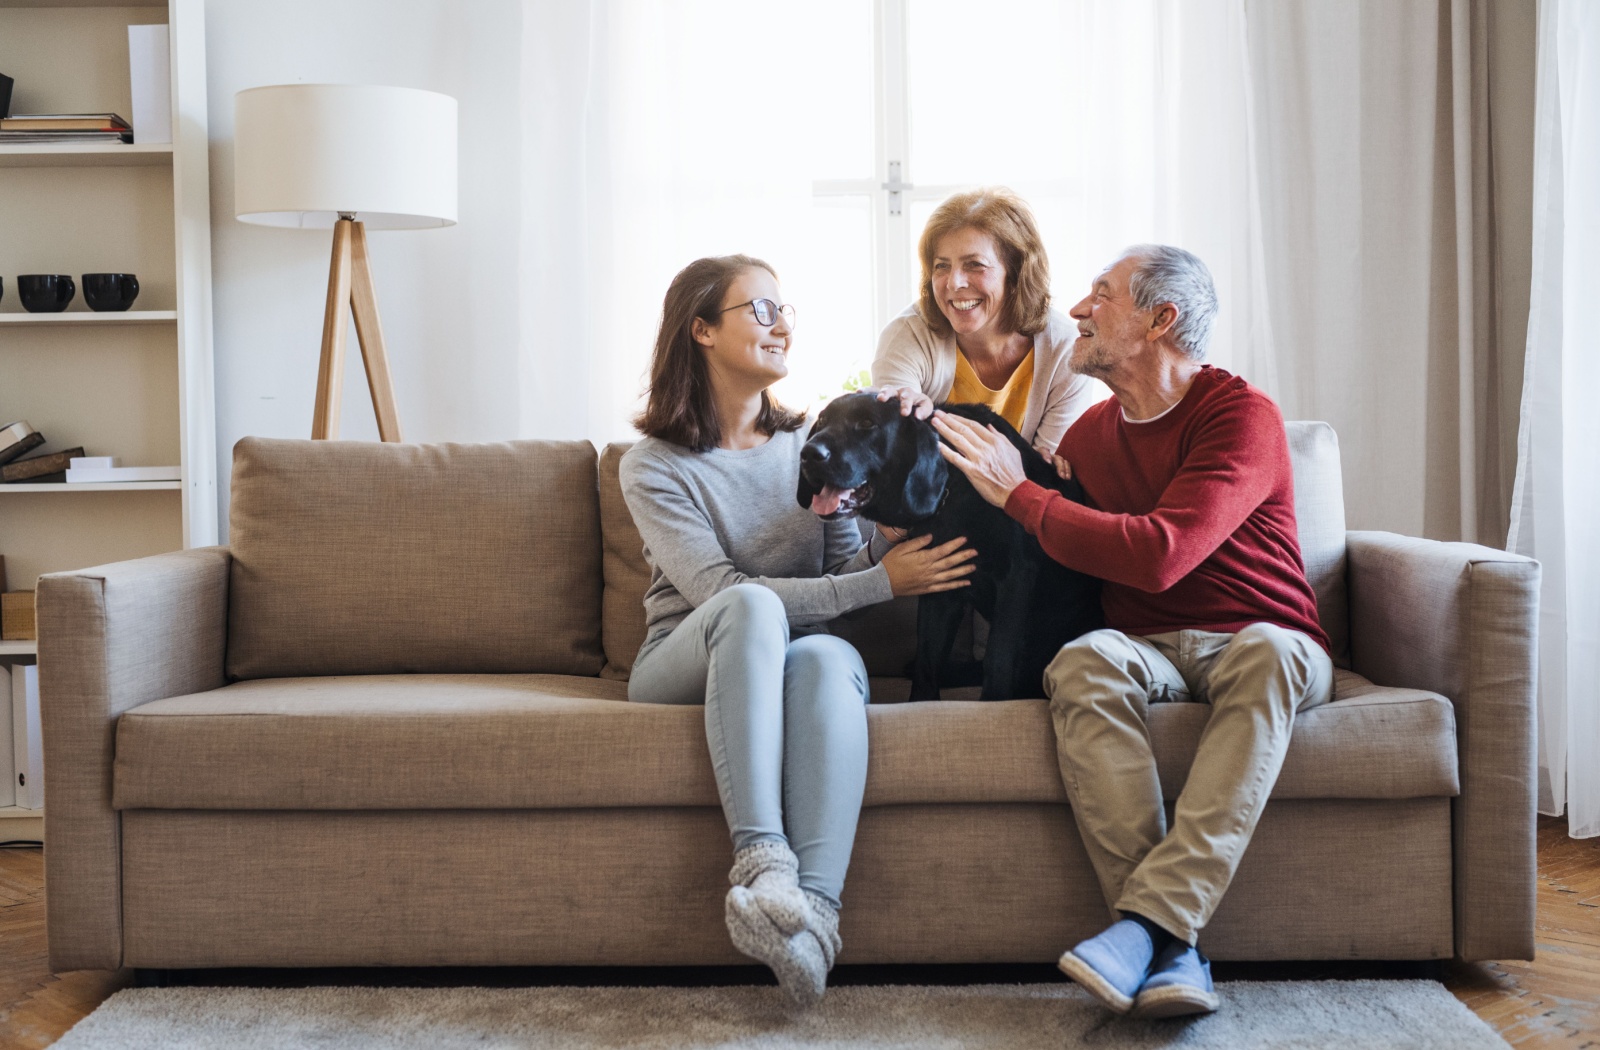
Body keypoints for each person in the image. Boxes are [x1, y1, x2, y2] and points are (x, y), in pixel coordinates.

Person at [931, 245, 1333, 1019]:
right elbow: (1050, 551)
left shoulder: (1240, 415)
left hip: (1264, 635)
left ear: (1161, 319)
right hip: (1148, 651)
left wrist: (1024, 497)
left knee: (1266, 654)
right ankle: (1172, 948)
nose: (1077, 309)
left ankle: (1144, 925)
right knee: (1082, 662)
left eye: (1101, 295)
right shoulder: (1085, 439)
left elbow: (1160, 555)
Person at [620, 255, 976, 1006]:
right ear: (702, 330)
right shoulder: (653, 464)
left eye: (786, 309)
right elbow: (720, 593)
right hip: (681, 663)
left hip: (786, 657)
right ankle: (761, 860)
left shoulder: (809, 443)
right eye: (761, 310)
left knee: (823, 656)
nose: (782, 323)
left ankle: (812, 914)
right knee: (751, 608)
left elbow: (843, 566)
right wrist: (884, 583)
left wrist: (893, 505)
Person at [871, 187, 1100, 452]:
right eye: (942, 266)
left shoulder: (1065, 349)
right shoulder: (906, 336)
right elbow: (903, 458)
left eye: (975, 264)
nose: (954, 283)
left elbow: (1046, 478)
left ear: (1015, 273)